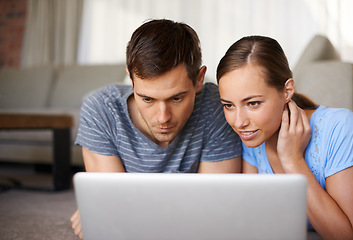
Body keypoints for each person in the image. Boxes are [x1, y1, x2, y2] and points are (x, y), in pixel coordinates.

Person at [70, 19, 242, 239]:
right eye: (147, 99)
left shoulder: (216, 107)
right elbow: (113, 210)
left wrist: (105, 211)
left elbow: (216, 210)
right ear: (131, 80)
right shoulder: (101, 110)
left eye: (177, 98)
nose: (163, 117)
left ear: (198, 80)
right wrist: (105, 211)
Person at [216, 35, 353, 239]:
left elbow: (349, 236)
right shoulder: (253, 137)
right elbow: (254, 220)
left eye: (253, 103)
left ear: (287, 91)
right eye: (228, 105)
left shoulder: (340, 126)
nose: (238, 122)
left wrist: (293, 160)